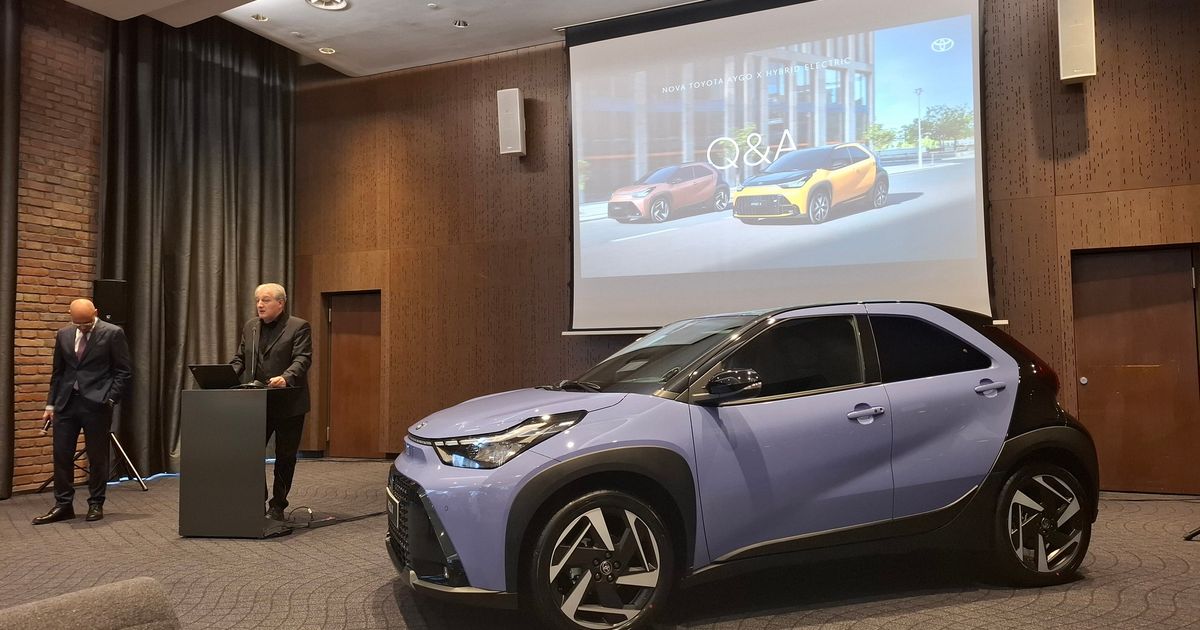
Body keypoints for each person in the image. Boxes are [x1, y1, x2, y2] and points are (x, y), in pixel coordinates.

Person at [33, 299, 132, 525]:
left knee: (97, 457)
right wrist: (50, 405)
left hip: (97, 404)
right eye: (78, 324)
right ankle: (63, 505)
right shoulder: (64, 334)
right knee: (61, 455)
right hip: (66, 403)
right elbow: (58, 372)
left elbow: (123, 371)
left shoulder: (113, 333)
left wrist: (110, 399)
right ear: (70, 315)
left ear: (96, 312)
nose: (83, 328)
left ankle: (96, 503)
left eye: (87, 323)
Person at [230, 283, 312, 521]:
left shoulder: (298, 326)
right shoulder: (251, 327)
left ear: (280, 303)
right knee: (250, 453)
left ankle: (278, 506)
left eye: (265, 300)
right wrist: (224, 376)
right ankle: (257, 500)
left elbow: (302, 358)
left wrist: (286, 377)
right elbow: (240, 358)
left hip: (288, 403)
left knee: (285, 457)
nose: (259, 305)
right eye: (257, 300)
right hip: (257, 403)